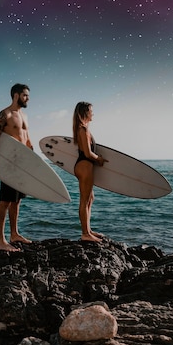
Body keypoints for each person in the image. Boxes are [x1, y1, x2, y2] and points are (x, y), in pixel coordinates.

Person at [0, 83, 33, 252]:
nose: (28, 98)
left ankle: (14, 234)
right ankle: (0, 240)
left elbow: (27, 140)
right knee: (5, 200)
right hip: (9, 163)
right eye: (25, 95)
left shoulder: (25, 116)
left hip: (22, 163)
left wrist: (34, 160)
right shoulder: (5, 114)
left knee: (17, 200)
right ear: (16, 95)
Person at [73, 101, 107, 242]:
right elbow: (87, 153)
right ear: (85, 112)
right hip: (85, 166)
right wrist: (99, 159)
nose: (93, 113)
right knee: (84, 200)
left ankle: (88, 229)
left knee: (90, 198)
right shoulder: (83, 129)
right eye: (91, 111)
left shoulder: (82, 128)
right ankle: (85, 234)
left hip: (83, 166)